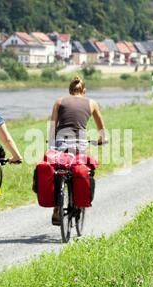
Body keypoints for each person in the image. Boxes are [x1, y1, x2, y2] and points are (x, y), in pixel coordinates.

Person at [48, 76, 106, 225]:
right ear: (84, 91)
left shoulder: (59, 101)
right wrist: (101, 139)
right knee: (80, 169)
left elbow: (53, 125)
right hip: (80, 143)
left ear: (69, 91)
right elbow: (101, 126)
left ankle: (56, 208)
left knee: (58, 171)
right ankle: (78, 200)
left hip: (60, 142)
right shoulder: (92, 103)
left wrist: (51, 144)